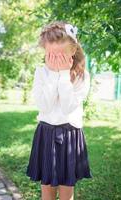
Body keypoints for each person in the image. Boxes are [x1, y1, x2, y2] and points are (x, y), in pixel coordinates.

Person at [26, 20, 93, 200]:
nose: (56, 58)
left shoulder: (82, 76)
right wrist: (53, 74)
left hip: (70, 135)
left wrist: (63, 74)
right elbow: (45, 106)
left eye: (61, 54)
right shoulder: (41, 73)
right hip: (46, 133)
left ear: (73, 50)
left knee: (66, 190)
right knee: (46, 188)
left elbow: (67, 106)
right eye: (51, 53)